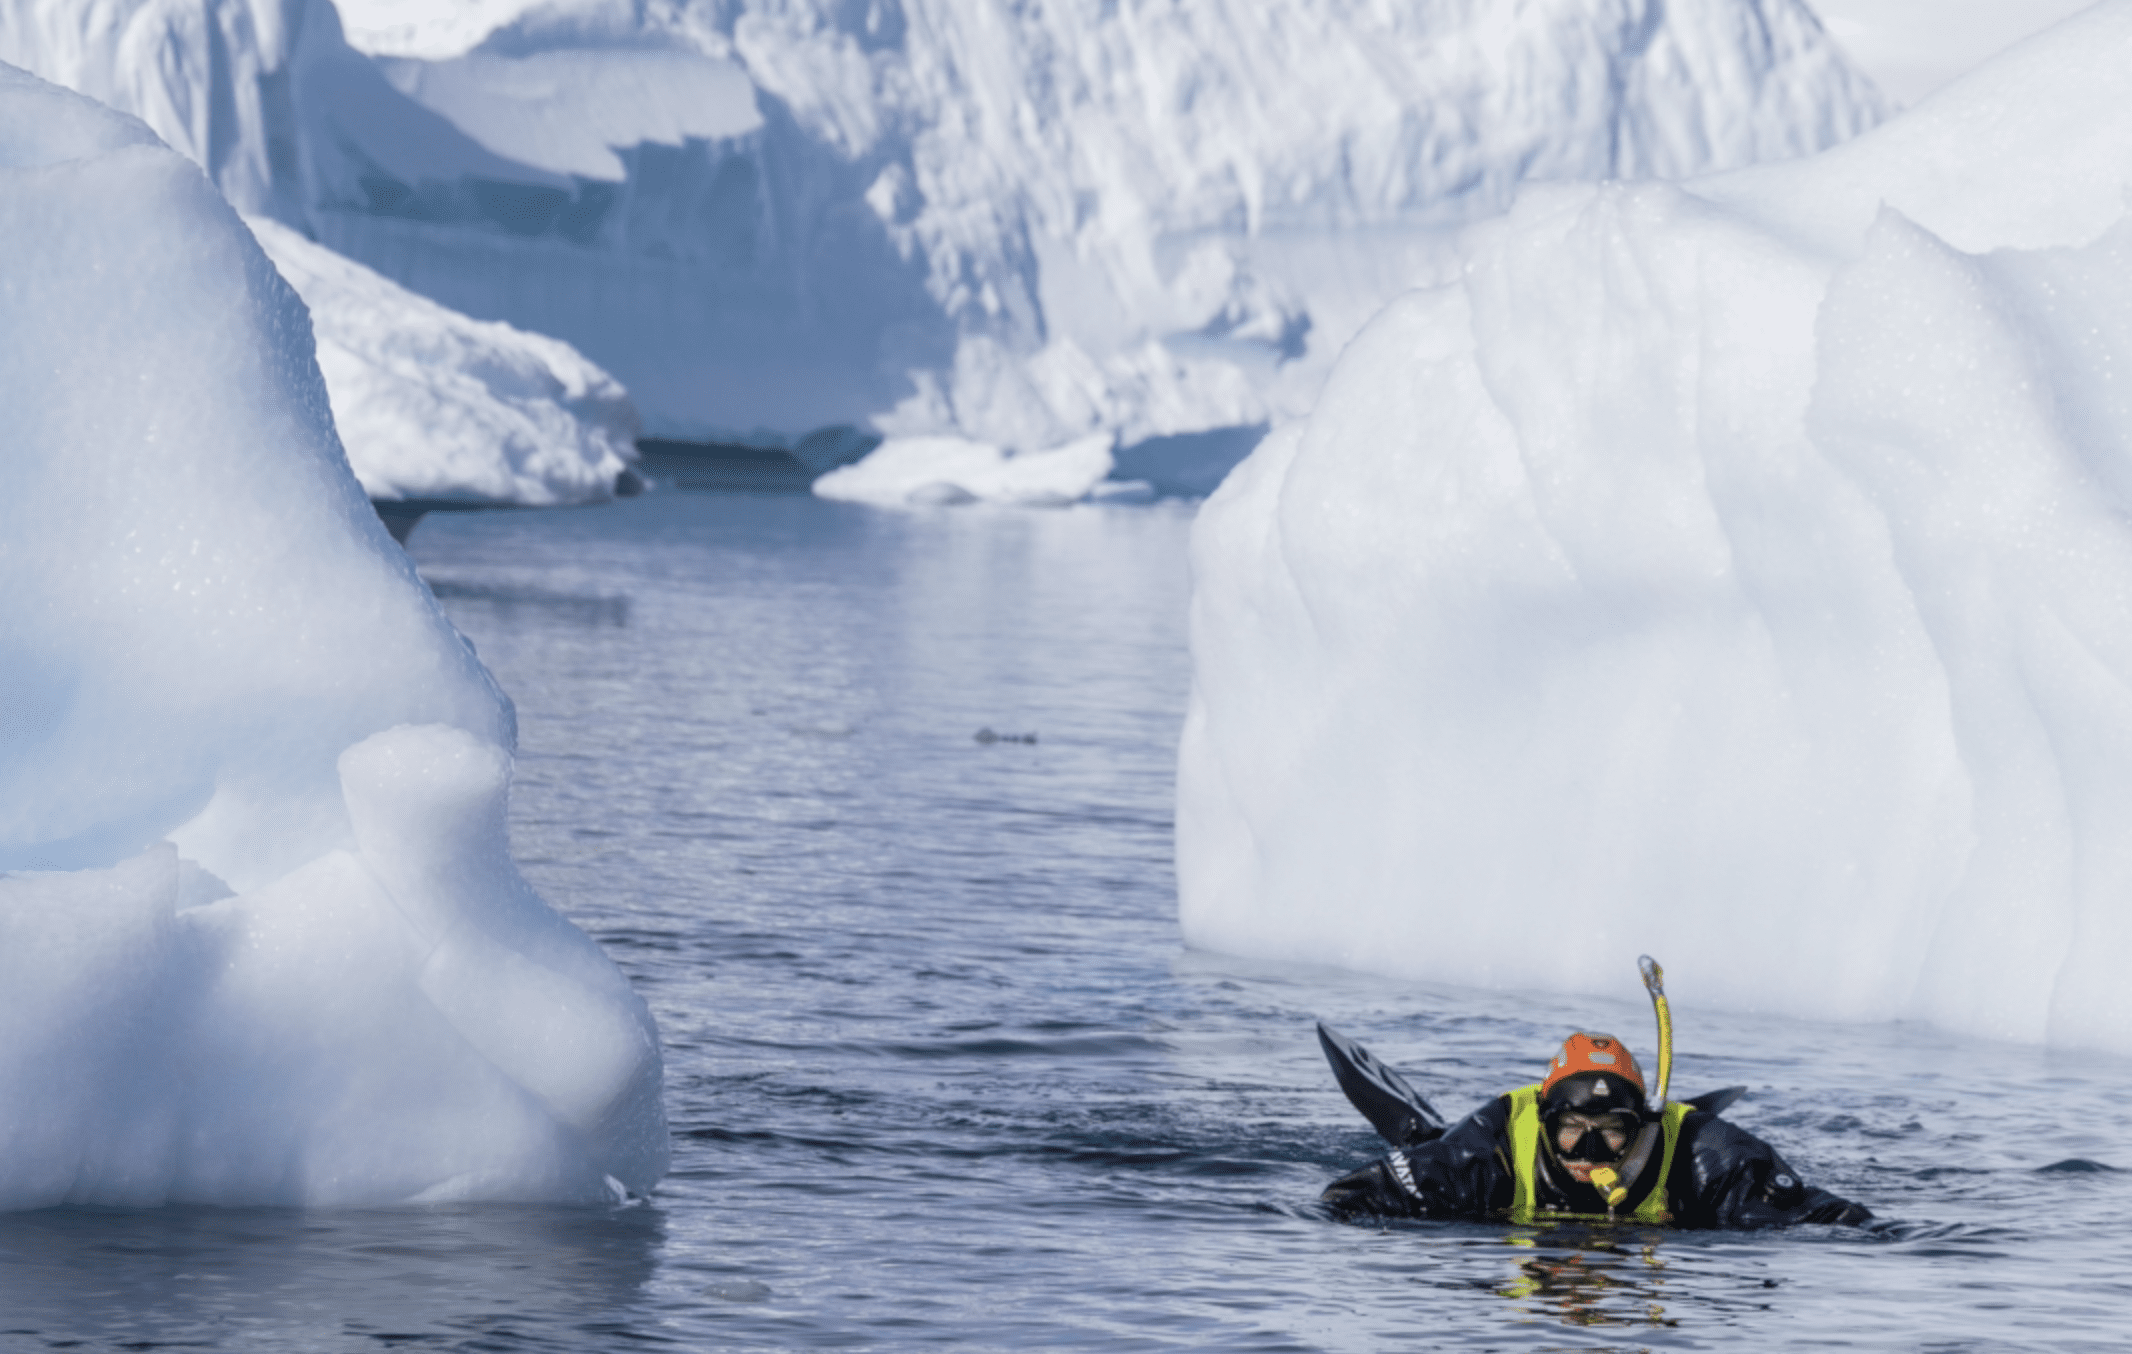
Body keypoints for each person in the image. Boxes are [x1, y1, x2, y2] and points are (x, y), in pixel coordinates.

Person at [1322, 1031, 1871, 1228]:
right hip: (1461, 1160)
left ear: (1643, 1125)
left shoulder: (1706, 1155)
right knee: (1429, 1150)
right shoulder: (1489, 1148)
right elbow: (1347, 1196)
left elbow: (1837, 1219)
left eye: (1611, 1129)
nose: (1587, 1149)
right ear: (1544, 1120)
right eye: (1572, 1127)